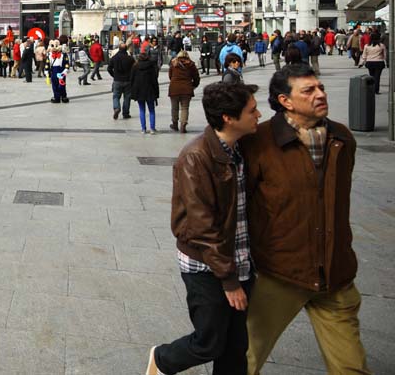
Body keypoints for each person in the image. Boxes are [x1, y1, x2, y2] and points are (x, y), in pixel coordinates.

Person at [244, 65, 371, 374]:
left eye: (321, 88)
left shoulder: (341, 137)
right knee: (244, 360)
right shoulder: (259, 142)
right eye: (309, 90)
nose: (320, 95)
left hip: (334, 274)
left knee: (351, 368)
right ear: (285, 101)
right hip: (280, 273)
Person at [146, 82, 261, 375]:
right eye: (252, 110)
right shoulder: (196, 156)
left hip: (241, 259)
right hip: (205, 265)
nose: (259, 115)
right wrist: (229, 280)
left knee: (236, 348)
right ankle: (162, 359)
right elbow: (202, 226)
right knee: (209, 342)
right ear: (228, 118)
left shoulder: (242, 148)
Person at [168, 50, 199, 133]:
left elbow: (170, 75)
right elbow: (196, 77)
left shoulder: (173, 63)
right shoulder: (191, 64)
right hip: (187, 88)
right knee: (185, 108)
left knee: (174, 107)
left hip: (174, 88)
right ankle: (183, 125)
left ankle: (174, 124)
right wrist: (193, 85)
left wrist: (174, 81)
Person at [130, 51, 160, 134]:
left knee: (142, 110)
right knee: (151, 110)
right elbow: (154, 80)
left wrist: (132, 91)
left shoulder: (135, 66)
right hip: (150, 90)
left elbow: (131, 79)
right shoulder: (151, 66)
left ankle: (143, 128)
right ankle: (152, 128)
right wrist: (156, 92)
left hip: (139, 91)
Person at [108, 43, 134, 119]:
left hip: (117, 80)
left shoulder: (114, 58)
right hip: (128, 80)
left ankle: (116, 108)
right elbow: (134, 68)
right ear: (126, 49)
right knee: (127, 97)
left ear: (119, 49)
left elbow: (109, 68)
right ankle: (125, 113)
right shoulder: (130, 58)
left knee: (116, 96)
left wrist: (114, 75)